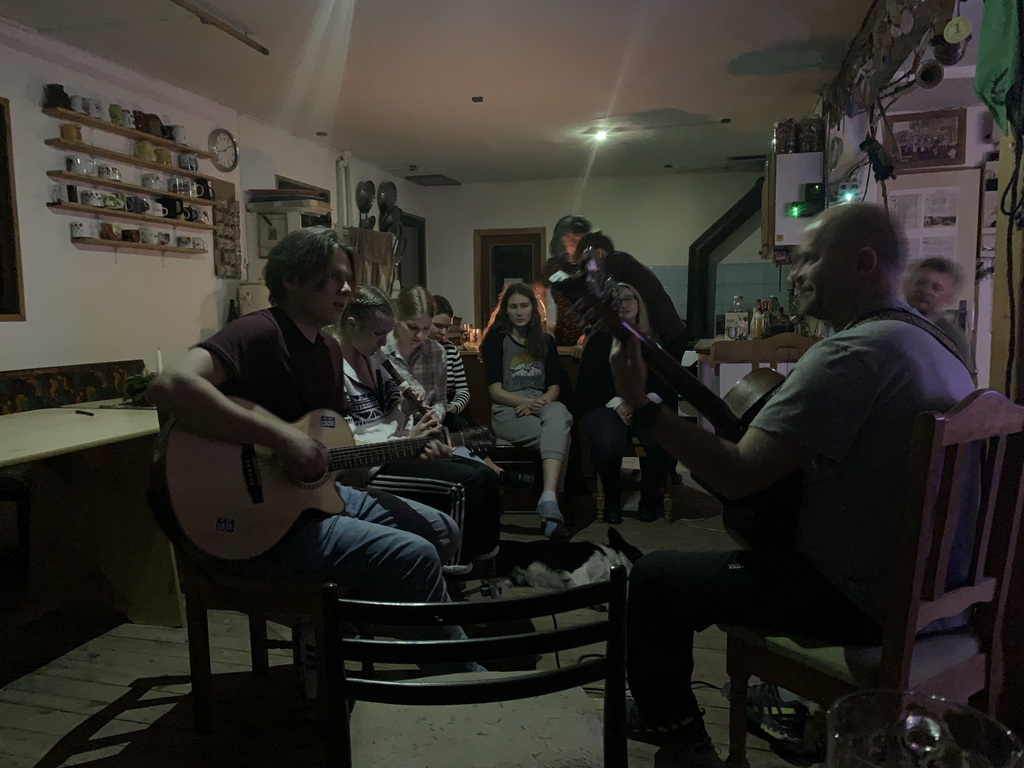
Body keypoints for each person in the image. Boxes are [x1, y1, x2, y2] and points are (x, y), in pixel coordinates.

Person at [609, 204, 975, 767]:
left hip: (862, 599)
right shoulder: (936, 343)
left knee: (657, 579)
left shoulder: (854, 352)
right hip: (939, 595)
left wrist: (639, 403)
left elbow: (736, 474)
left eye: (809, 258)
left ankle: (682, 739)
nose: (796, 273)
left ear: (863, 263)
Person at [145, 227, 480, 667]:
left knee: (442, 531)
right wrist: (279, 437)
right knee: (412, 555)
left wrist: (405, 450)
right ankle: (458, 674)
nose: (345, 289)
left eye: (348, 278)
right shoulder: (257, 332)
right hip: (260, 523)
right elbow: (169, 385)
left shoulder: (327, 351)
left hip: (314, 501)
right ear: (291, 278)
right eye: (332, 277)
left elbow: (332, 462)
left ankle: (338, 629)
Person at [334, 285, 501, 576]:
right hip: (369, 468)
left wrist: (407, 411)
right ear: (351, 325)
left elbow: (390, 419)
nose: (384, 342)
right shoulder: (335, 371)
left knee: (485, 475)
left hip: (398, 450)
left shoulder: (374, 359)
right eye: (378, 334)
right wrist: (406, 441)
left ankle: (484, 561)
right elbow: (347, 443)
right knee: (464, 484)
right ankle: (449, 571)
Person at [576, 283, 676, 524]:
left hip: (646, 403)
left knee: (659, 439)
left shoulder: (654, 339)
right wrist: (618, 404)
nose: (624, 305)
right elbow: (591, 381)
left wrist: (643, 402)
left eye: (629, 299)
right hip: (607, 404)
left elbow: (666, 381)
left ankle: (649, 498)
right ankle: (612, 501)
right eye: (617, 301)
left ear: (638, 303)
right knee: (608, 442)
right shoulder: (599, 338)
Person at [481, 282, 573, 539]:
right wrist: (524, 403)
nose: (519, 312)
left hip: (541, 404)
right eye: (513, 307)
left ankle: (548, 498)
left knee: (559, 412)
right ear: (505, 310)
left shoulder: (546, 340)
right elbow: (494, 391)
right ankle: (552, 507)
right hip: (509, 409)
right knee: (561, 436)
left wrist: (539, 402)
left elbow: (554, 387)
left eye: (524, 305)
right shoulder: (496, 339)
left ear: (533, 308)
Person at [430, 293, 535, 491]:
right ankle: (495, 472)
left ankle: (492, 471)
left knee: (465, 426)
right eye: (438, 326)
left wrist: (455, 405)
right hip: (429, 414)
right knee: (459, 426)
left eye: (447, 327)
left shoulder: (450, 350)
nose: (443, 332)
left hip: (449, 410)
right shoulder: (416, 352)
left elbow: (463, 390)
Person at [574, 231, 688, 360]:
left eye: (587, 264)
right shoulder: (624, 262)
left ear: (599, 253)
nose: (588, 271)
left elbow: (606, 303)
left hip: (667, 337)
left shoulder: (613, 263)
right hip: (672, 334)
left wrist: (589, 334)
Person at [904, 256, 974, 371]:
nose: (926, 290)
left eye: (936, 288)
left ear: (949, 298)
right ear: (907, 285)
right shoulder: (890, 323)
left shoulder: (953, 339)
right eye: (921, 283)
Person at [540, 214, 592, 347]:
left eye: (577, 236)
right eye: (568, 236)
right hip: (563, 338)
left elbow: (605, 302)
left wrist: (590, 332)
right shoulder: (554, 264)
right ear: (562, 238)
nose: (572, 240)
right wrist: (543, 320)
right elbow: (537, 291)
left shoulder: (594, 264)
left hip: (591, 337)